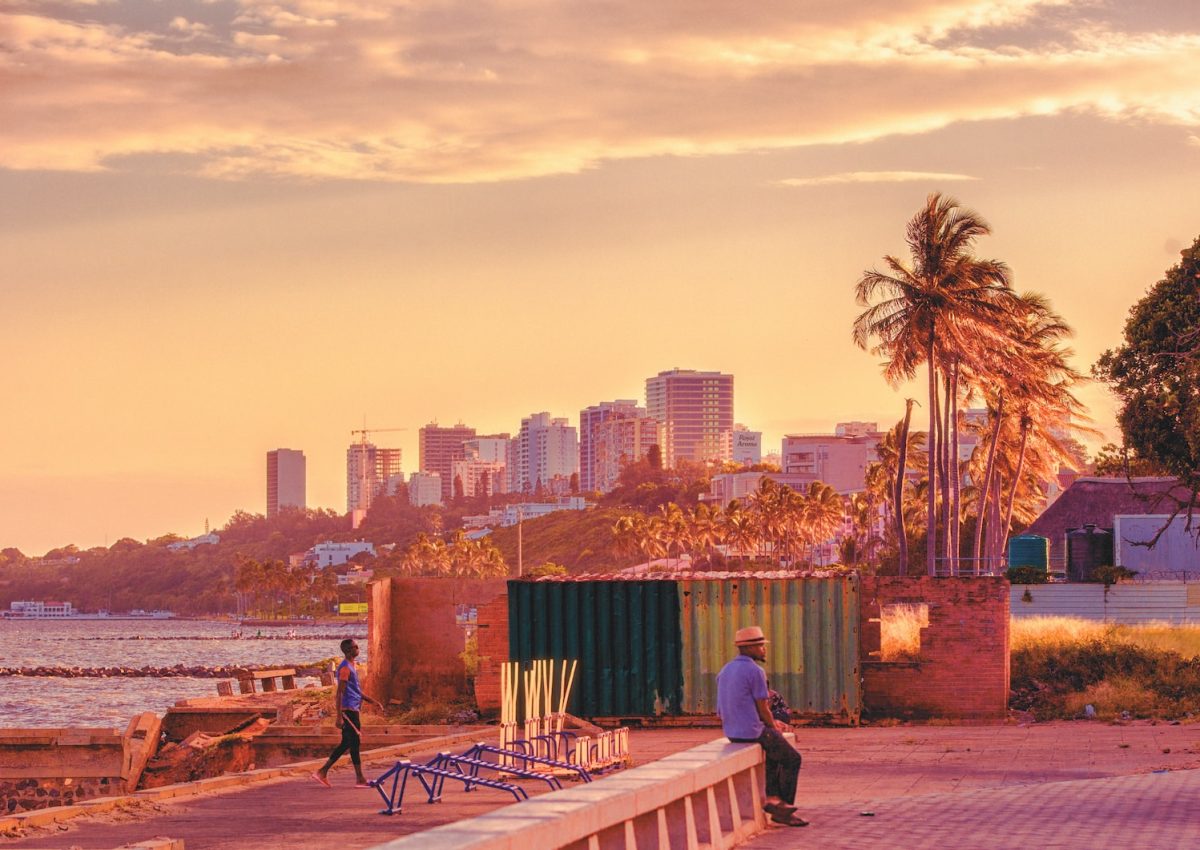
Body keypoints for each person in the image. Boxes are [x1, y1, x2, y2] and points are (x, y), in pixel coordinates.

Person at [716, 625, 806, 827]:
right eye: (760, 646)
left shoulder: (725, 670)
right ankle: (783, 808)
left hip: (732, 733)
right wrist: (773, 725)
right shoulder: (755, 671)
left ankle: (773, 798)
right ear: (749, 649)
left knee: (774, 754)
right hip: (752, 732)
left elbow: (720, 710)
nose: (764, 650)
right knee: (793, 758)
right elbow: (763, 707)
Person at [311, 638, 381, 788]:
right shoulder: (345, 668)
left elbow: (356, 691)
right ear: (349, 651)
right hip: (348, 711)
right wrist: (338, 716)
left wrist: (373, 701)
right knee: (354, 743)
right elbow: (340, 693)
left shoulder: (352, 666)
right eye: (356, 647)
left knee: (346, 743)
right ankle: (359, 779)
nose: (358, 648)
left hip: (354, 709)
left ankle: (322, 771)